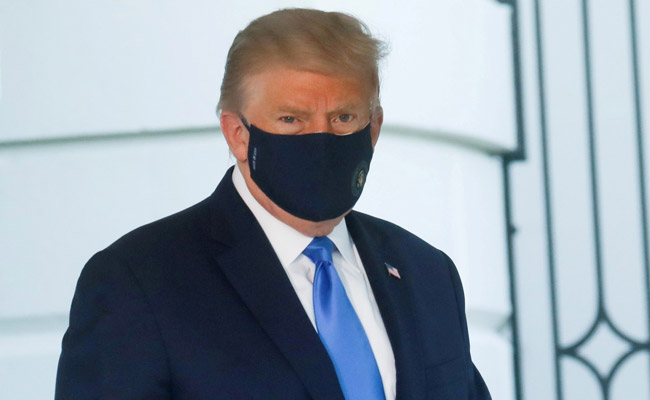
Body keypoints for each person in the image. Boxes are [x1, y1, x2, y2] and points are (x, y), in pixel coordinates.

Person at [55, 8, 491, 400]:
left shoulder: (426, 274)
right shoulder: (140, 282)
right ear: (237, 134)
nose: (320, 141)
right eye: (290, 120)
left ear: (373, 127)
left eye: (343, 118)